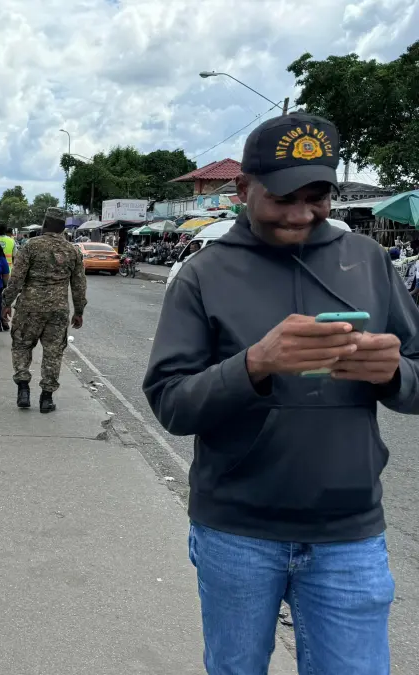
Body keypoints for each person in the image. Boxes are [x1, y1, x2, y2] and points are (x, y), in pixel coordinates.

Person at [143, 112, 419, 674]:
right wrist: (255, 364)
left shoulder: (367, 259)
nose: (301, 214)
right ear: (243, 189)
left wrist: (393, 374)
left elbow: (414, 377)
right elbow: (171, 402)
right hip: (237, 531)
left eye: (317, 196)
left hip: (349, 534)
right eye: (283, 197)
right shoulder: (203, 273)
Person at [2, 214, 86, 413]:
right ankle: (46, 399)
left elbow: (17, 278)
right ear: (62, 228)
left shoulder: (31, 246)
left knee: (22, 346)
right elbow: (79, 284)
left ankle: (23, 389)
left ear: (45, 225)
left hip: (29, 308)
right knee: (53, 352)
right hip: (57, 310)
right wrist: (79, 310)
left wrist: (6, 302)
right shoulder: (72, 250)